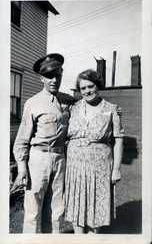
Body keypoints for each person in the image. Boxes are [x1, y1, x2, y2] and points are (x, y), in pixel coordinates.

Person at [11, 53, 76, 233]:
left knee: (56, 211)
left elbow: (89, 105)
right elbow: (22, 140)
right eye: (49, 76)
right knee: (33, 212)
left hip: (60, 159)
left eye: (58, 75)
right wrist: (22, 168)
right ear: (41, 78)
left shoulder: (68, 101)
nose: (54, 80)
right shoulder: (33, 103)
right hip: (38, 160)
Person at [64, 69, 124, 234]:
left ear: (98, 86)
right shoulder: (73, 108)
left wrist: (116, 169)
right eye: (83, 88)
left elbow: (118, 140)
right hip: (75, 167)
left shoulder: (112, 109)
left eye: (91, 86)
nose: (87, 91)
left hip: (99, 167)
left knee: (95, 208)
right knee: (76, 207)